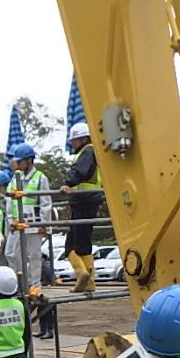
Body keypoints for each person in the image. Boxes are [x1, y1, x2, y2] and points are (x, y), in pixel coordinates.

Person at [61, 123, 103, 294]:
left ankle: (82, 273)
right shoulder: (90, 151)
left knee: (72, 245)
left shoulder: (87, 151)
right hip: (88, 200)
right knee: (83, 243)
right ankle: (89, 282)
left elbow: (80, 171)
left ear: (83, 138)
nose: (72, 143)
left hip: (83, 201)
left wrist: (67, 183)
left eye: (75, 140)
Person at [6, 143, 49, 289]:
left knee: (34, 256)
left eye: (19, 161)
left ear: (29, 160)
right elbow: (9, 204)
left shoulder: (40, 178)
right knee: (14, 255)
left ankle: (35, 286)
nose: (17, 164)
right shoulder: (14, 179)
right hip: (19, 224)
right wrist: (11, 222)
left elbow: (45, 203)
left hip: (34, 224)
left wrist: (44, 225)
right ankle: (22, 284)